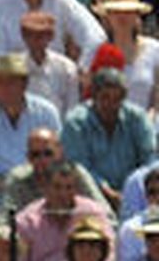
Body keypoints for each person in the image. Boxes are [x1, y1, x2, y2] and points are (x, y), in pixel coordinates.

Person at [0, 52, 60, 198]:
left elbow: (57, 153)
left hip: (39, 180)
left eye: (11, 82)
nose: (5, 88)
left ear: (25, 84)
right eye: (0, 82)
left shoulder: (46, 111)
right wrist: (4, 186)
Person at [61, 69, 157, 207]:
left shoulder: (137, 118)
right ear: (94, 96)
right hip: (90, 196)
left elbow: (149, 158)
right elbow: (79, 168)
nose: (111, 105)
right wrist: (108, 192)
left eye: (117, 99)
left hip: (137, 193)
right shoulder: (76, 123)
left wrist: (132, 191)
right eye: (105, 97)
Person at [0, 127, 112, 233]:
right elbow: (4, 219)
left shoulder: (75, 174)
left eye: (48, 153)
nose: (42, 160)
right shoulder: (17, 178)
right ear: (28, 158)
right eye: (36, 154)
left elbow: (106, 214)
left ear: (60, 153)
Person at [13, 161, 112, 261]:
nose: (63, 194)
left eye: (69, 188)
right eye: (57, 187)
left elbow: (108, 260)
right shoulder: (26, 221)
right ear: (45, 188)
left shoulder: (93, 213)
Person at [94, 0, 159, 119]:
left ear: (137, 16)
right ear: (108, 16)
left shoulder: (154, 50)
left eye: (128, 11)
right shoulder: (96, 50)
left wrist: (146, 123)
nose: (122, 17)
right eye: (116, 11)